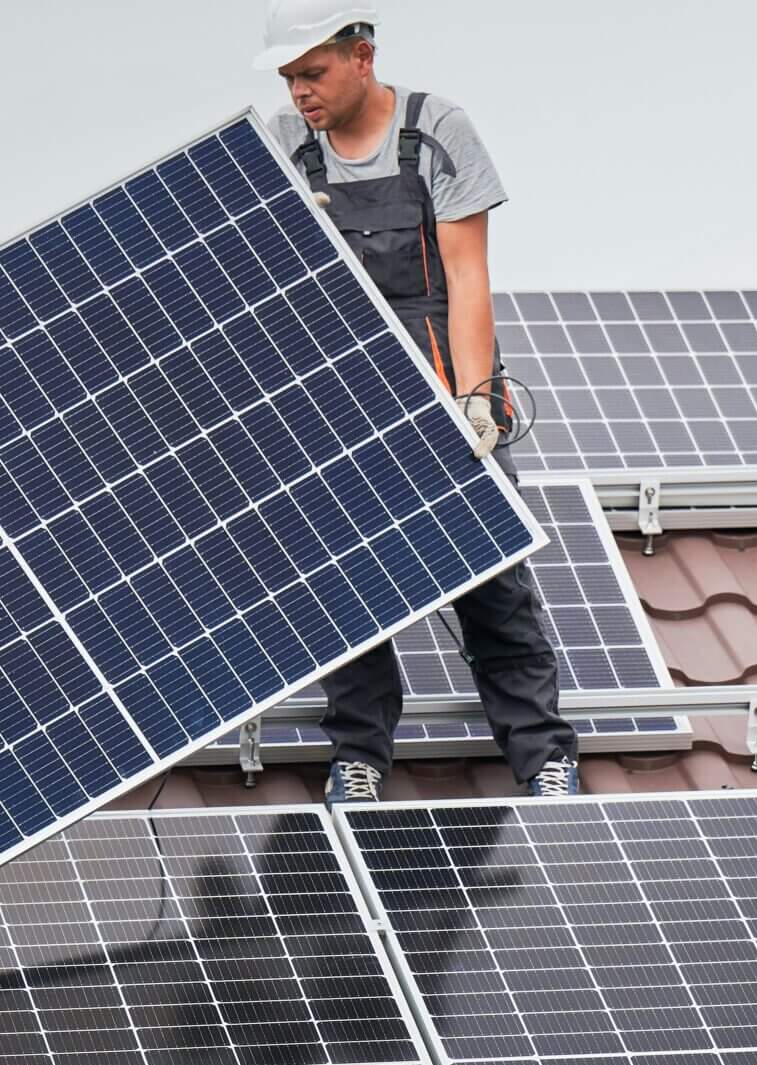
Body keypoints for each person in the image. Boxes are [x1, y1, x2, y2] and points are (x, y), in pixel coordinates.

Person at [259, 1, 580, 804]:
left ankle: (543, 756)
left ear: (363, 57)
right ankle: (359, 756)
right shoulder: (283, 146)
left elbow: (467, 275)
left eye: (314, 72)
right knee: (348, 578)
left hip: (441, 382)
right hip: (338, 396)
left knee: (491, 575)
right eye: (289, 77)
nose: (300, 91)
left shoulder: (437, 131)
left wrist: (475, 400)